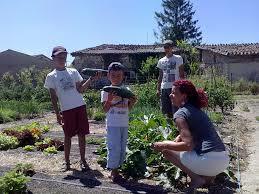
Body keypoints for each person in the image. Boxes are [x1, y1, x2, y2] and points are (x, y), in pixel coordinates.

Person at [152, 79, 229, 190]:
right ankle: (208, 179)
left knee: (166, 150)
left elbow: (188, 145)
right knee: (180, 147)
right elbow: (194, 132)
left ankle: (196, 178)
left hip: (208, 161)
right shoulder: (196, 110)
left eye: (174, 93)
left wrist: (162, 145)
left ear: (184, 96)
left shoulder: (180, 114)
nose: (170, 95)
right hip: (223, 161)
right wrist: (177, 139)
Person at [44, 46, 100, 171]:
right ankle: (67, 162)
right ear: (53, 58)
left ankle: (83, 160)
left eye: (64, 56)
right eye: (59, 57)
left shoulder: (73, 72)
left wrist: (91, 79)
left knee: (82, 134)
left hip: (80, 106)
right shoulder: (51, 76)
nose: (62, 59)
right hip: (66, 110)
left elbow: (80, 89)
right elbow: (53, 97)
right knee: (67, 136)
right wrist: (57, 114)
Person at [101, 62, 137, 182]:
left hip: (124, 123)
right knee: (114, 147)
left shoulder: (127, 90)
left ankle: (118, 167)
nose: (116, 78)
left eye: (118, 75)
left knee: (122, 147)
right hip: (112, 124)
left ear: (123, 76)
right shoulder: (106, 91)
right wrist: (110, 100)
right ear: (108, 76)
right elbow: (105, 109)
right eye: (113, 75)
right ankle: (113, 170)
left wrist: (132, 101)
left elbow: (129, 108)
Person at [157, 40, 185, 118]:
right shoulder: (161, 61)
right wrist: (158, 89)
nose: (166, 49)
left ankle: (177, 127)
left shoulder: (178, 58)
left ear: (172, 48)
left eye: (168, 47)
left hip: (175, 88)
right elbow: (160, 76)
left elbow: (182, 74)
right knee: (165, 111)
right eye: (165, 47)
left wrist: (183, 87)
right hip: (164, 88)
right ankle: (168, 128)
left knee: (175, 110)